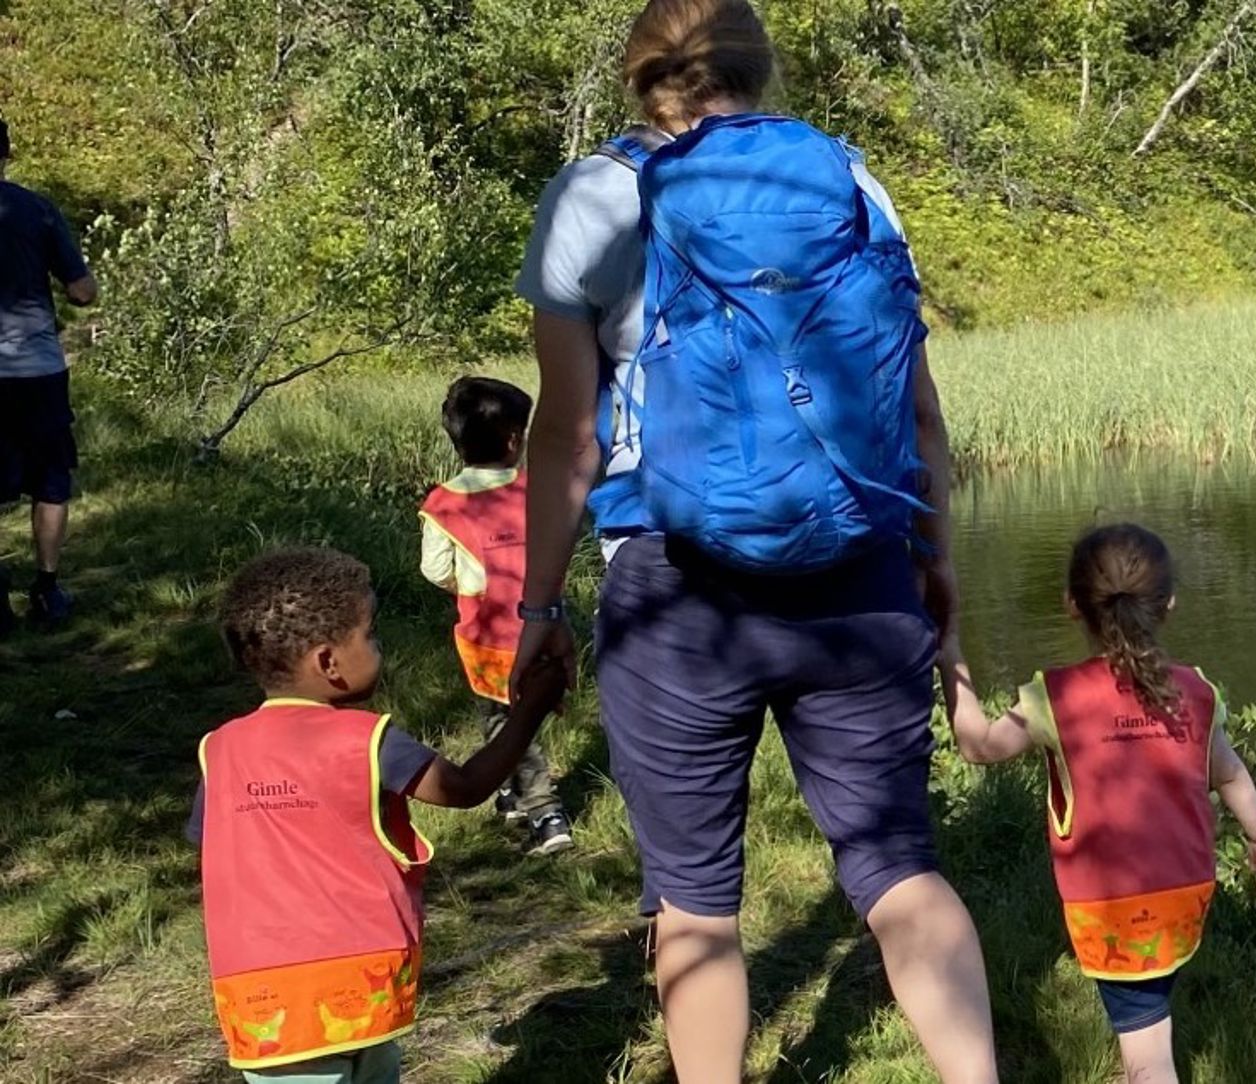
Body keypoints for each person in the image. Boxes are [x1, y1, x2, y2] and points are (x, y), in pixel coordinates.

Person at [508, 1, 996, 1080]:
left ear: (638, 78)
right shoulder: (848, 183)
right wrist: (934, 562)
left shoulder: (595, 196)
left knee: (695, 896)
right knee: (898, 867)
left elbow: (569, 436)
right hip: (859, 572)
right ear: (760, 71)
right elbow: (917, 411)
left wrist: (537, 610)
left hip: (673, 590)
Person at [190, 547, 567, 1082]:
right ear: (328, 662)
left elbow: (210, 844)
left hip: (263, 998)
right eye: (369, 634)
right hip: (364, 979)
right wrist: (527, 710)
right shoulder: (365, 739)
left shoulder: (218, 750)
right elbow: (465, 787)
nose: (378, 645)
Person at [939, 524, 1256, 1084]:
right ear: (1168, 604)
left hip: (1113, 908)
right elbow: (1232, 774)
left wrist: (952, 659)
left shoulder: (1055, 696)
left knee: (1149, 1056)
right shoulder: (1195, 690)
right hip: (1186, 893)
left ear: (1072, 605)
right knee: (1147, 1016)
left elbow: (978, 746)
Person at [420, 376, 573, 855]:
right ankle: (508, 790)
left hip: (486, 636)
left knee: (504, 721)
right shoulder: (537, 490)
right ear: (514, 440)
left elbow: (434, 569)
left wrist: (466, 587)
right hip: (546, 627)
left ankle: (546, 813)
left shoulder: (444, 504)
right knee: (527, 711)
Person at [0, 117, 99, 635]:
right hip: (36, 368)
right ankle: (47, 588)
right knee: (51, 479)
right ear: (6, 153)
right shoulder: (37, 211)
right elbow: (81, 290)